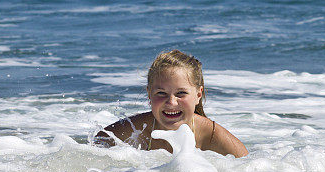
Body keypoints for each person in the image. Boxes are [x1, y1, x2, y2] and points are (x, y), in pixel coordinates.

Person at [95, 50, 248, 157]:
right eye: (161, 93)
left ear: (198, 95)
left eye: (181, 93)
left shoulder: (211, 136)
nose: (171, 102)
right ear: (149, 94)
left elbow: (252, 170)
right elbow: (89, 153)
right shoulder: (134, 131)